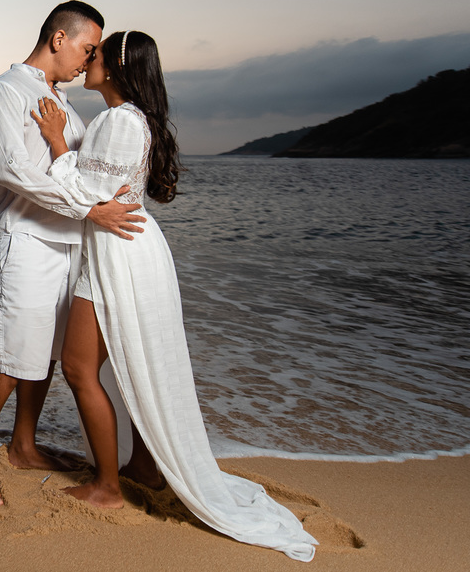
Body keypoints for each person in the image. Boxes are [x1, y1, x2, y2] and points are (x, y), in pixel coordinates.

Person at [31, 30, 317, 562]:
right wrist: (69, 146)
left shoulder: (119, 121)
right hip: (128, 248)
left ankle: (108, 489)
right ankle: (143, 466)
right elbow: (101, 185)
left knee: (77, 367)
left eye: (95, 55)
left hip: (119, 252)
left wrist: (54, 142)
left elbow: (88, 194)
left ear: (114, 68)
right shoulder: (130, 119)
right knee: (133, 365)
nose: (86, 61)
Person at [0, 1, 147, 507]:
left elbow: (80, 168)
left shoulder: (59, 98)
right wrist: (89, 211)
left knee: (46, 356)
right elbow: (12, 171)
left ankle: (22, 445)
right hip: (26, 241)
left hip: (70, 246)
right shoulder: (6, 91)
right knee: (14, 353)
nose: (89, 59)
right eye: (87, 48)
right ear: (59, 39)